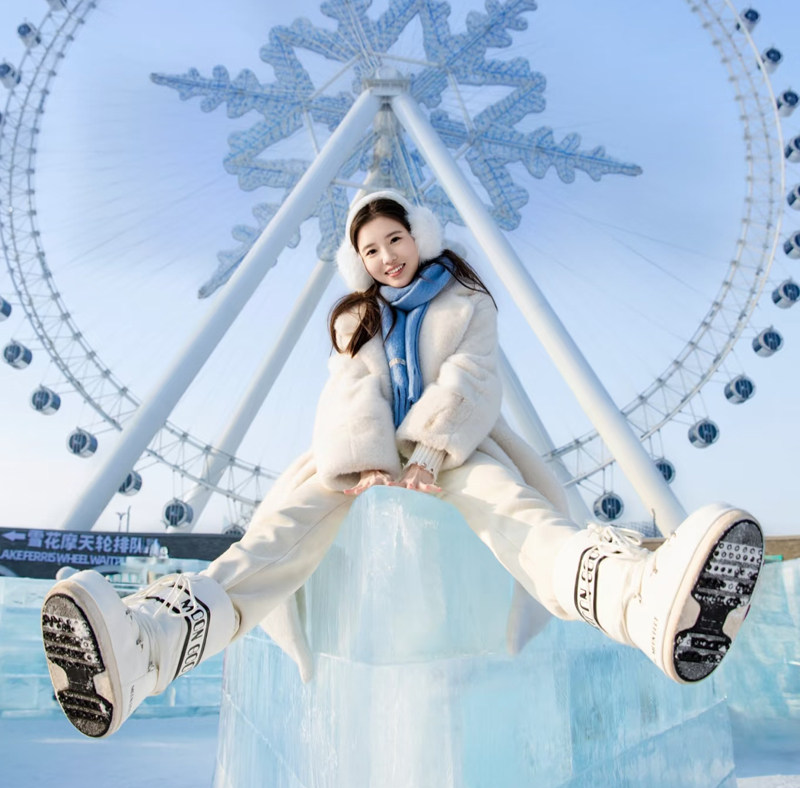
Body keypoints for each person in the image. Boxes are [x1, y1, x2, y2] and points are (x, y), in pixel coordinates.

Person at [41, 190, 764, 740]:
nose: (389, 255)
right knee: (273, 541)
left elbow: (474, 381)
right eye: (373, 248)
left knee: (516, 514)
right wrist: (363, 464)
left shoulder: (468, 302)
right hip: (361, 460)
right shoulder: (356, 319)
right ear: (359, 262)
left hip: (457, 447)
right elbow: (350, 391)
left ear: (418, 236)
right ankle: (146, 650)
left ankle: (640, 602)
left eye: (396, 238)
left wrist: (429, 452)